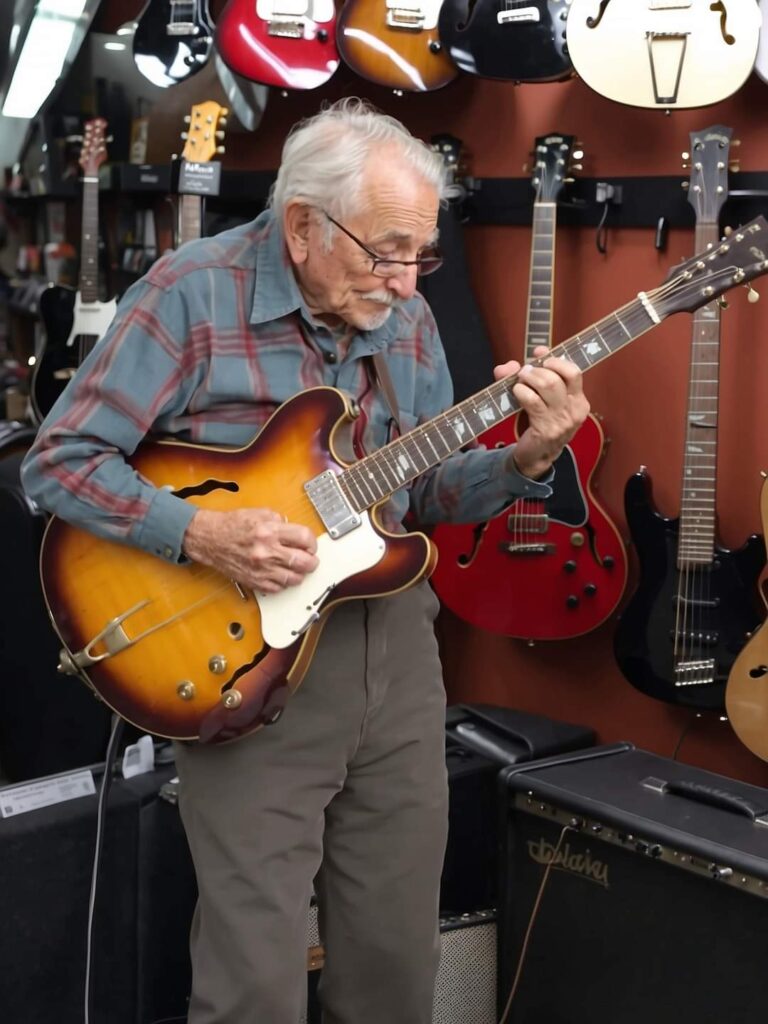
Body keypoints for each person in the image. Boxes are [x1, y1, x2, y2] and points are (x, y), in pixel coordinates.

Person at [21, 98, 589, 1024]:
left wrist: (528, 457)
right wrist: (199, 533)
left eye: (423, 253)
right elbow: (59, 463)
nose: (409, 282)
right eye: (388, 250)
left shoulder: (402, 316)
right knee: (255, 977)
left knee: (397, 959)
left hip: (397, 655)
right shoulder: (190, 293)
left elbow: (428, 496)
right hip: (243, 654)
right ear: (302, 227)